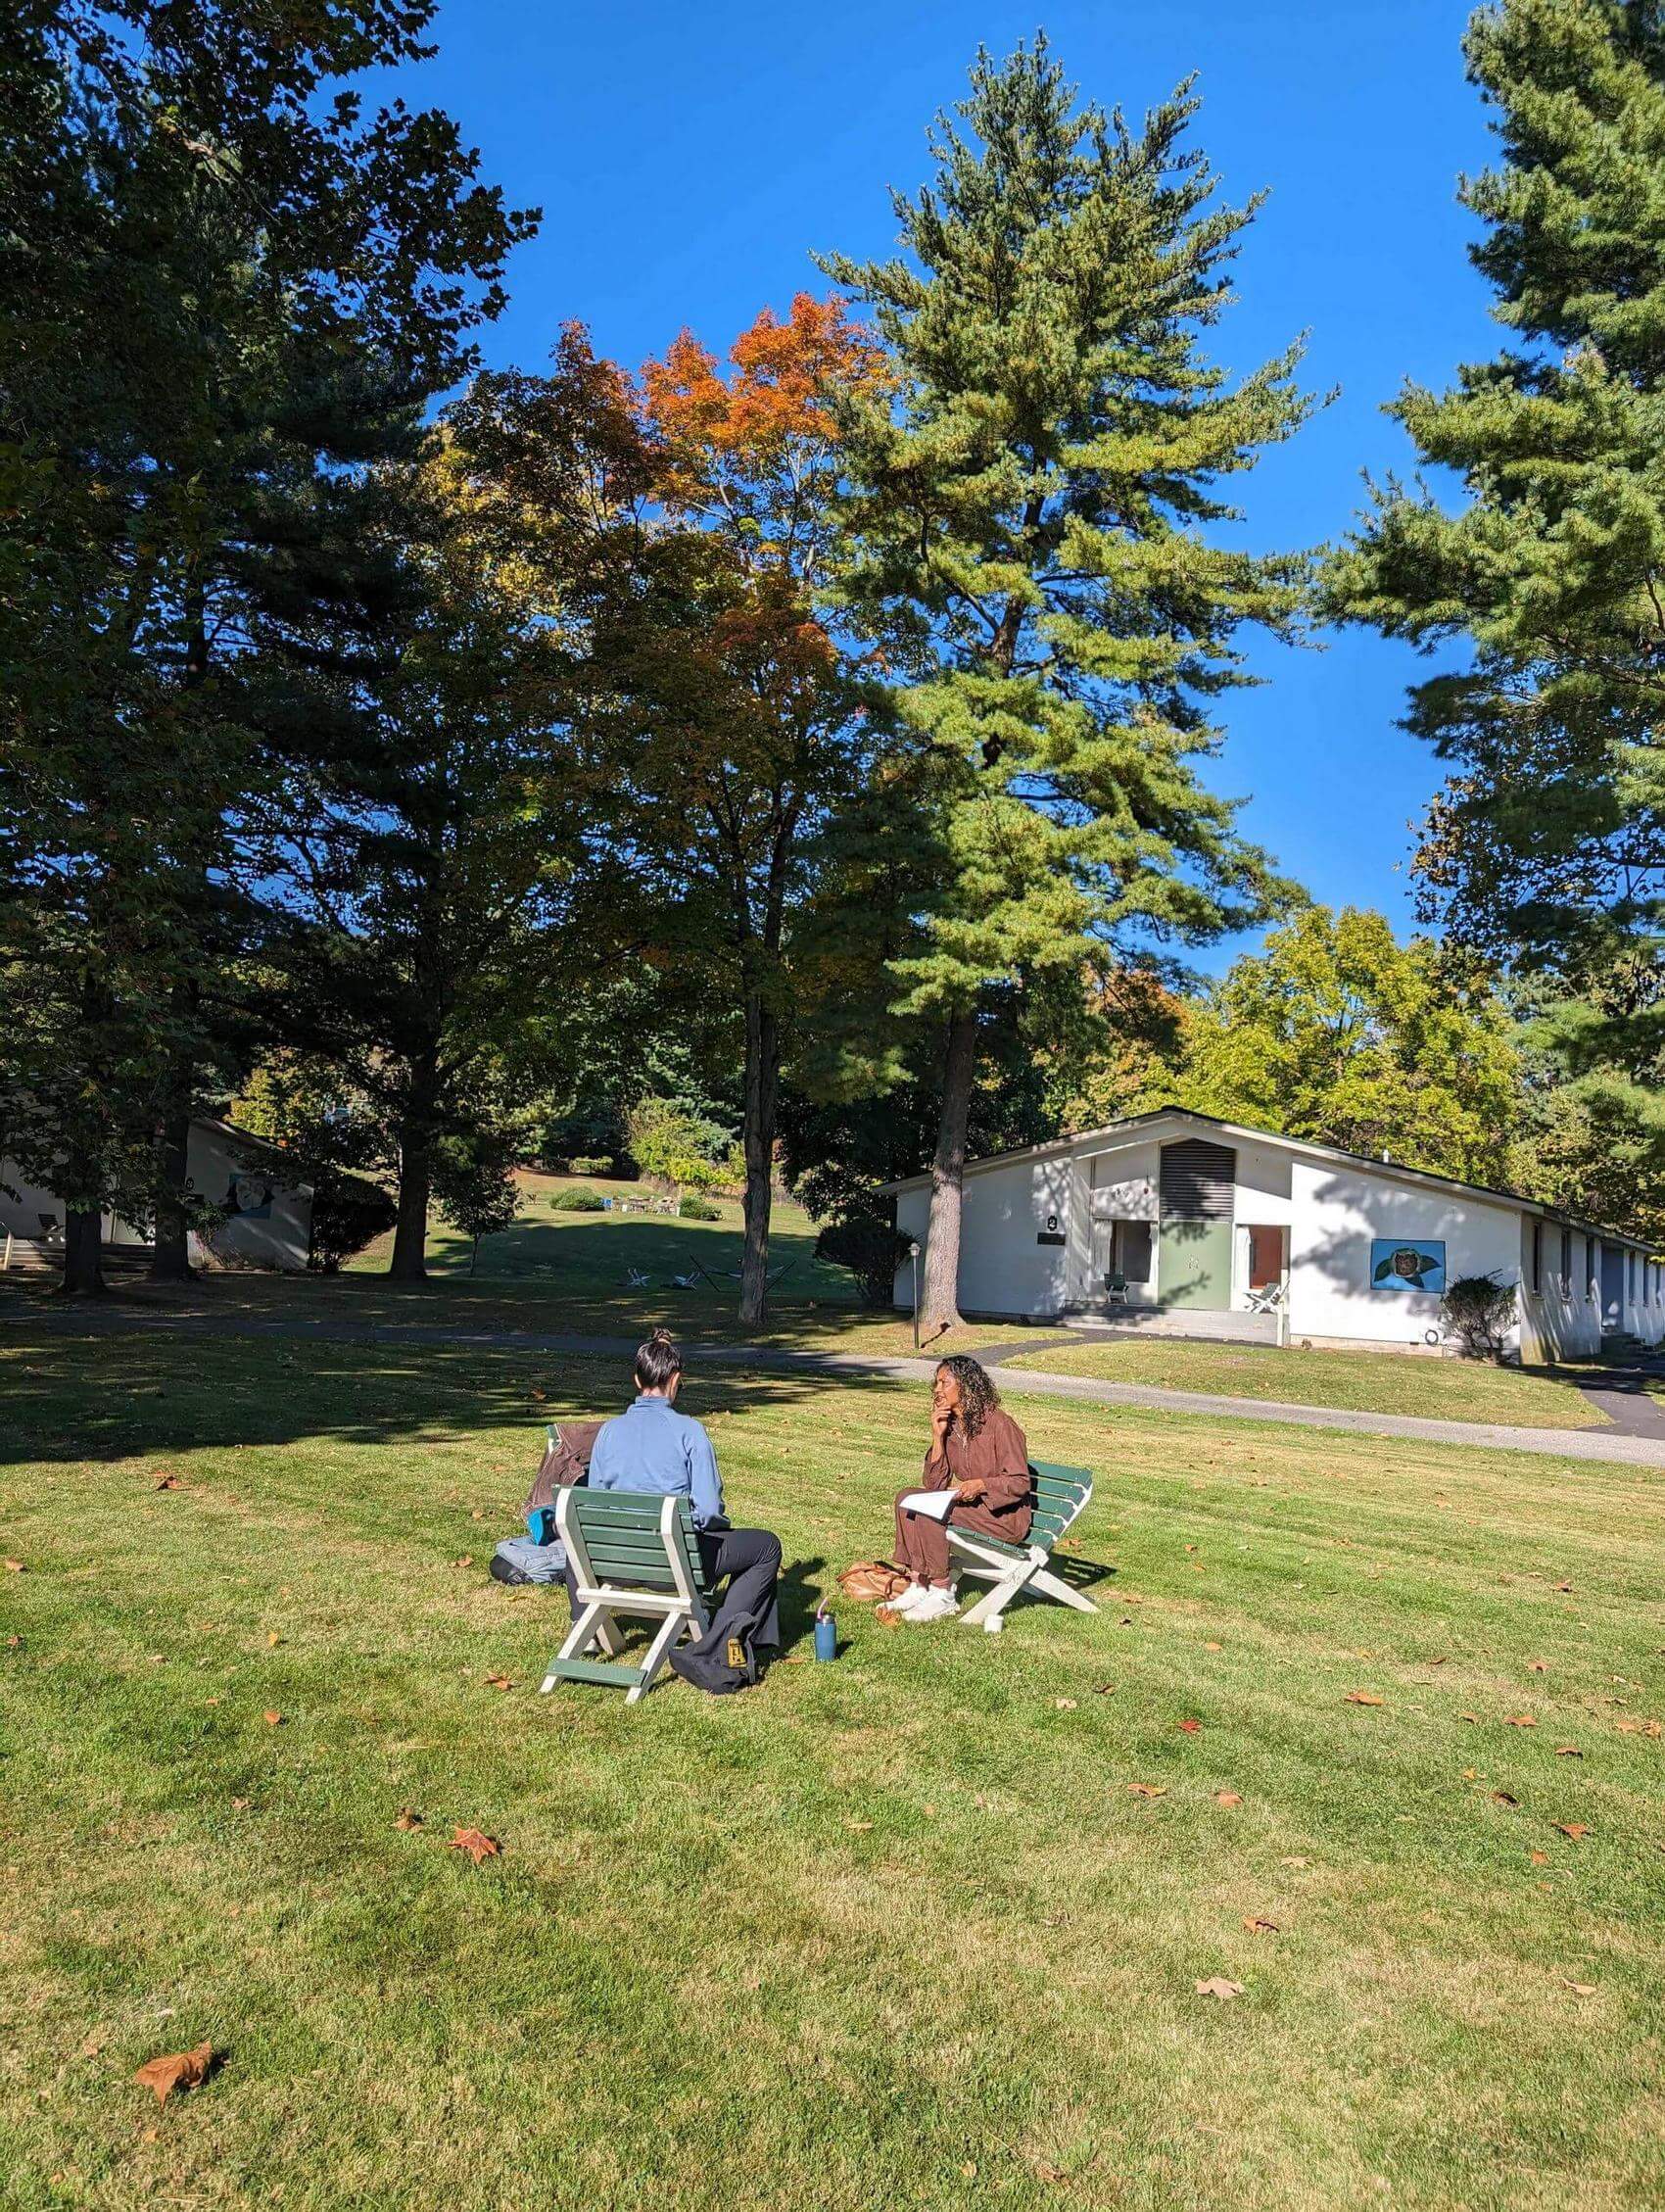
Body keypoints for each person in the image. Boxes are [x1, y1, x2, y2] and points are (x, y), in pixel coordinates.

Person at [581, 1328, 782, 1692]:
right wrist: (718, 1526)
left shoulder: (608, 1432)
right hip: (673, 1563)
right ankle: (722, 1643)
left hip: (615, 1560)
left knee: (575, 1546)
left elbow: (597, 1503)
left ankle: (589, 1633)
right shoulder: (689, 1431)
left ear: (636, 1379)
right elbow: (707, 1513)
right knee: (765, 1547)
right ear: (676, 1380)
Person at [882, 1356, 1032, 1622]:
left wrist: (982, 1485)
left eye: (945, 1383)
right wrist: (937, 1436)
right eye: (936, 1383)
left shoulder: (1000, 1424)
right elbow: (933, 1484)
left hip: (1005, 1518)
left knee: (933, 1511)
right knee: (907, 1498)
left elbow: (1020, 1481)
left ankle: (942, 1593)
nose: (937, 1389)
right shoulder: (951, 1426)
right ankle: (919, 1584)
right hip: (971, 1509)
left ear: (966, 1386)